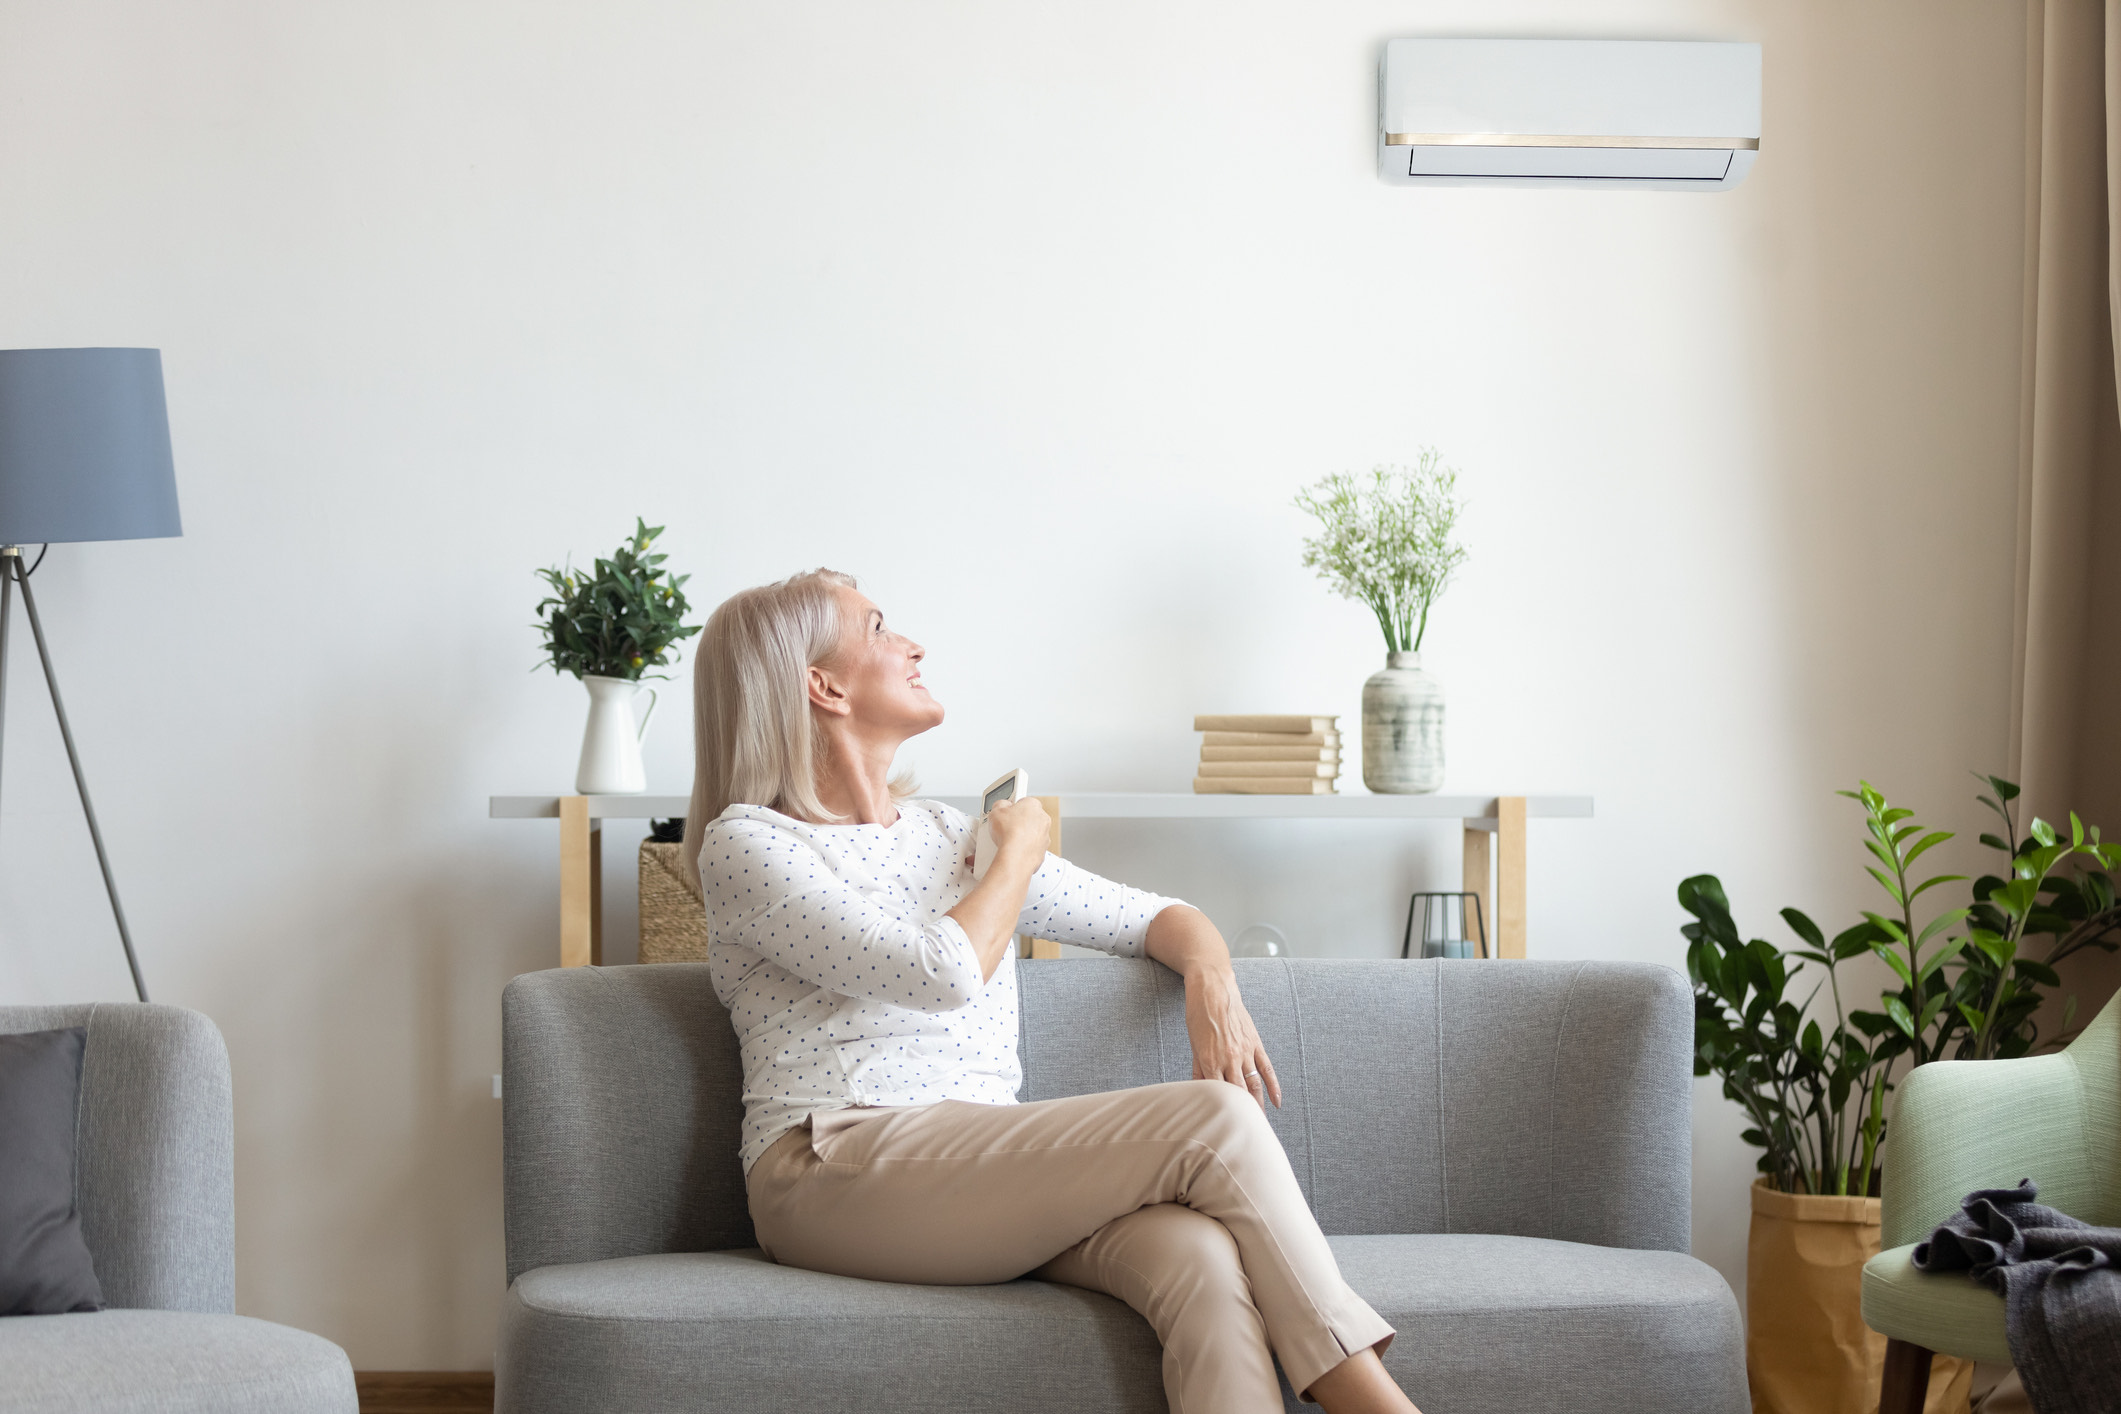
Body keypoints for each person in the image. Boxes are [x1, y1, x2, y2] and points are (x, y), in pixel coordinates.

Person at [681, 568, 1422, 1414]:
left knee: (1197, 1256)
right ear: (822, 684)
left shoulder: (948, 837)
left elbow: (1162, 918)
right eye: (880, 627)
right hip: (829, 1166)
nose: (913, 645)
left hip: (974, 1166)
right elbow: (942, 971)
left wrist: (1211, 981)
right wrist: (1018, 857)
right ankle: (1363, 1394)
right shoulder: (747, 846)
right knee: (1213, 1118)